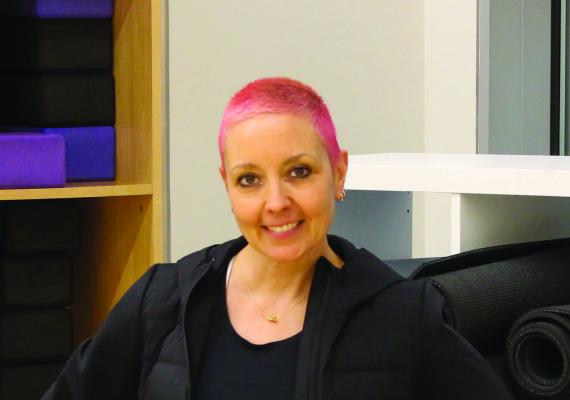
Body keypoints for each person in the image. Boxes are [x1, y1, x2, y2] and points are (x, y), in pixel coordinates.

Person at [42, 77, 512, 400]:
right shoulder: (162, 301)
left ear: (339, 171)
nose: (276, 202)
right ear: (226, 184)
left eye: (299, 172)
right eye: (250, 180)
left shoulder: (401, 314)